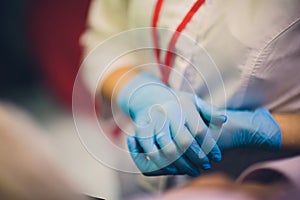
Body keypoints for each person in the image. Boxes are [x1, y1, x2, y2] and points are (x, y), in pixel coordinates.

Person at [80, 0, 300, 177]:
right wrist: (139, 91)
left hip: (250, 180)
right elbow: (106, 36)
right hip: (133, 163)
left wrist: (258, 130)